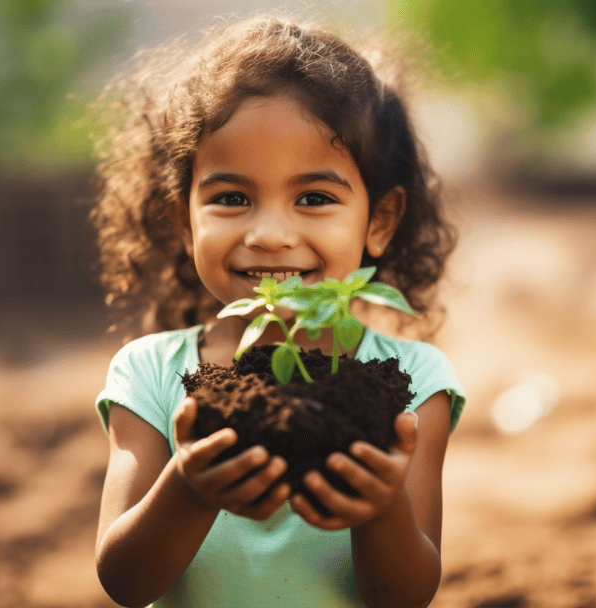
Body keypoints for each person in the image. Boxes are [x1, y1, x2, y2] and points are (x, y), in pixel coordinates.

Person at [91, 14, 466, 608]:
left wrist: (381, 507)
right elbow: (125, 582)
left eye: (313, 198)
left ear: (380, 221)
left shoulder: (412, 384)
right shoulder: (150, 374)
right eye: (231, 198)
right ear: (184, 222)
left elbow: (407, 595)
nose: (269, 234)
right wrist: (187, 489)